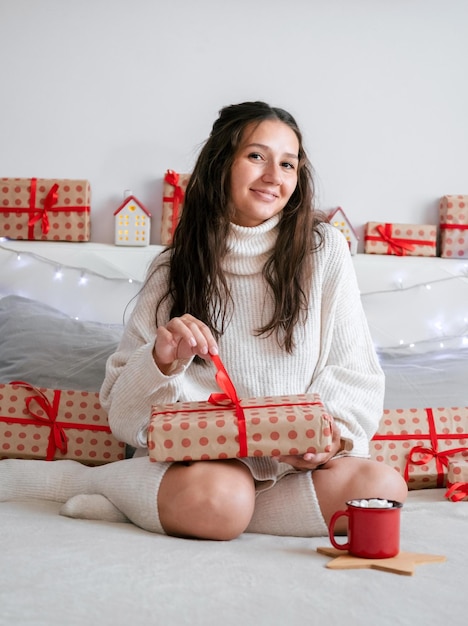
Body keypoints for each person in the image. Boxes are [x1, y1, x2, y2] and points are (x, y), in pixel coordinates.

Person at [0, 101, 407, 539]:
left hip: (290, 472)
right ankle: (91, 481)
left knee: (383, 487)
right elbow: (122, 410)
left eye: (288, 163)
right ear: (221, 164)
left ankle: (163, 505)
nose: (274, 176)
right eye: (256, 156)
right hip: (202, 466)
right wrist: (160, 359)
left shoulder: (323, 250)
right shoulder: (173, 266)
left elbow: (355, 370)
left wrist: (331, 437)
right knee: (223, 493)